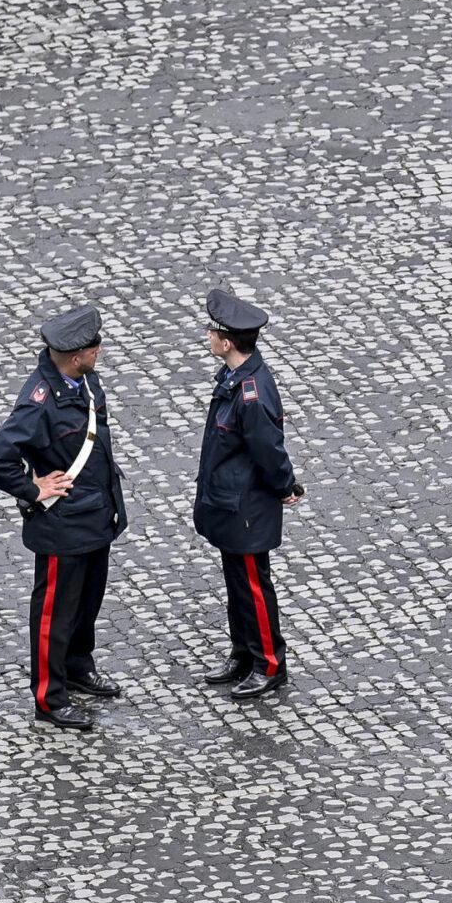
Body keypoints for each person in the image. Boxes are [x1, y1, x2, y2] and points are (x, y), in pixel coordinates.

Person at [0, 305, 129, 730]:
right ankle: (49, 695)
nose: (100, 350)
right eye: (95, 346)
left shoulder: (84, 380)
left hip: (95, 515)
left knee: (87, 602)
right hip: (62, 525)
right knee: (54, 612)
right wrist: (33, 489)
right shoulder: (38, 403)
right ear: (78, 354)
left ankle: (78, 666)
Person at [193, 287, 303, 700]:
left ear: (226, 342)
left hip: (246, 508)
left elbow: (268, 448)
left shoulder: (251, 391)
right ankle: (242, 653)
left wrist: (284, 486)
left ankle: (269, 663)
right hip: (229, 502)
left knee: (254, 585)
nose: (207, 337)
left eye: (211, 332)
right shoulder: (234, 377)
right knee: (237, 583)